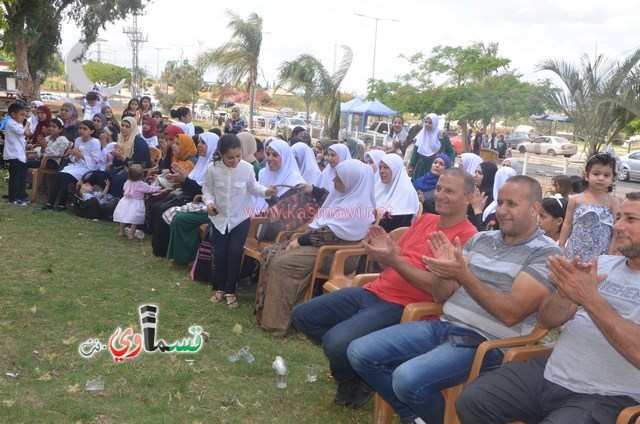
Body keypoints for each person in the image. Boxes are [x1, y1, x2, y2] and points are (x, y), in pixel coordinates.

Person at [347, 175, 561, 423]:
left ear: (535, 208)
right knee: (360, 352)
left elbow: (511, 313)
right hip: (444, 325)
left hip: (487, 343)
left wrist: (463, 275)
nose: (501, 211)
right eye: (500, 202)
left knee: (406, 378)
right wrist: (444, 269)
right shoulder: (482, 239)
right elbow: (442, 294)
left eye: (511, 204)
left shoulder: (546, 253)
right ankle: (418, 416)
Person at [292, 167, 478, 408]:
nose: (440, 195)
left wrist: (394, 261)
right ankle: (357, 371)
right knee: (302, 316)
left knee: (336, 342)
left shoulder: (468, 235)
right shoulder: (425, 219)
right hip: (375, 290)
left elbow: (438, 291)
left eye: (450, 191)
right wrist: (385, 253)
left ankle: (354, 374)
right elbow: (402, 255)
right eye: (439, 188)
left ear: (469, 197)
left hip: (404, 305)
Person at [456, 192, 640, 424]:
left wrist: (591, 299)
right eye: (619, 217)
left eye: (631, 220)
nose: (618, 226)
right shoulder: (602, 264)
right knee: (474, 400)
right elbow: (547, 320)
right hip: (550, 373)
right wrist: (564, 295)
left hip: (606, 395)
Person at [256, 159, 376, 337]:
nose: (334, 180)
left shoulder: (359, 207)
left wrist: (299, 241)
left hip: (338, 255)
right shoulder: (342, 197)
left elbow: (330, 234)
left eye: (339, 178)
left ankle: (280, 324)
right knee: (271, 252)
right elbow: (322, 226)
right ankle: (265, 314)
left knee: (283, 263)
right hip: (324, 247)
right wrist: (299, 237)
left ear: (352, 182)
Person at [202, 134, 277, 308]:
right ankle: (220, 289)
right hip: (220, 219)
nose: (235, 160)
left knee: (235, 254)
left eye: (238, 156)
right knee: (220, 254)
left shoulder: (247, 168)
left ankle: (230, 291)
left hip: (240, 218)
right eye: (230, 157)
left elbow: (253, 188)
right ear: (220, 153)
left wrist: (267, 192)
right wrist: (209, 203)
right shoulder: (212, 169)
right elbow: (207, 190)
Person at [164, 133, 219, 265]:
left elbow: (201, 191)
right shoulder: (202, 162)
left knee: (180, 217)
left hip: (212, 208)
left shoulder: (215, 166)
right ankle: (173, 253)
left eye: (203, 142)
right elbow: (195, 188)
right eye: (199, 142)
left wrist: (185, 180)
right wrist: (183, 180)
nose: (199, 145)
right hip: (200, 202)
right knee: (163, 207)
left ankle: (181, 257)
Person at [559, 152, 620, 263]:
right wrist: (562, 245)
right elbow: (567, 223)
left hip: (602, 254)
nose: (601, 178)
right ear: (586, 175)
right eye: (596, 174)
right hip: (575, 251)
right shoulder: (576, 199)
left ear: (613, 178)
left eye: (606, 175)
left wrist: (612, 250)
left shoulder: (613, 202)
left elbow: (617, 229)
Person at [40, 120, 101, 211]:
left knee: (65, 177)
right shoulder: (78, 140)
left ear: (91, 131)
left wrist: (79, 155)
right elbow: (72, 158)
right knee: (59, 175)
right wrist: (74, 155)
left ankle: (62, 204)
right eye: (80, 128)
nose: (81, 130)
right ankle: (50, 203)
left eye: (85, 129)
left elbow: (95, 161)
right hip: (76, 165)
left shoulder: (95, 142)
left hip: (88, 168)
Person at [252, 139, 305, 214]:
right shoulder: (263, 173)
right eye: (268, 154)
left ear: (285, 157)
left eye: (275, 155)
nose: (269, 158)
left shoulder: (295, 181)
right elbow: (254, 197)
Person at [113, 164, 165, 239]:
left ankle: (121, 231)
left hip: (125, 201)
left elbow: (124, 189)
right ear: (141, 175)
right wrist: (159, 187)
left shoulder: (127, 182)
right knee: (134, 220)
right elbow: (150, 189)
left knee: (123, 217)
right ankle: (131, 235)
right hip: (136, 203)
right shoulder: (141, 184)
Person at [107, 116, 152, 199]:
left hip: (138, 171)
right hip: (124, 168)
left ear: (133, 128)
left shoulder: (139, 142)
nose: (123, 128)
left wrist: (122, 156)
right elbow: (116, 164)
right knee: (104, 175)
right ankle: (106, 198)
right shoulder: (121, 140)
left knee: (118, 179)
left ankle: (117, 201)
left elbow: (136, 165)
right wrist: (117, 156)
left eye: (127, 126)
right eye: (122, 125)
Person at [375, 154, 420, 232]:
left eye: (386, 167)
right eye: (380, 168)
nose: (381, 171)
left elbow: (399, 225)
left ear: (395, 169)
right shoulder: (379, 187)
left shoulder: (407, 192)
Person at [408, 113, 455, 181]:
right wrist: (411, 168)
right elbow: (415, 154)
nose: (427, 124)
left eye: (430, 122)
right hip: (420, 167)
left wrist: (446, 163)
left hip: (436, 167)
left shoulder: (441, 136)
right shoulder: (421, 135)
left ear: (435, 123)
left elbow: (451, 152)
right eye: (426, 122)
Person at [470, 166, 516, 232]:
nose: (475, 176)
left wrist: (477, 211)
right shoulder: (495, 203)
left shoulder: (502, 209)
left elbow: (485, 234)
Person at [4, 103, 32, 205]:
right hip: (13, 155)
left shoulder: (18, 124)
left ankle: (21, 195)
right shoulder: (11, 123)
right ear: (13, 114)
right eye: (21, 115)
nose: (23, 117)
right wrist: (27, 130)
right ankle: (13, 198)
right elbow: (24, 132)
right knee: (14, 178)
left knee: (22, 176)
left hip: (20, 155)